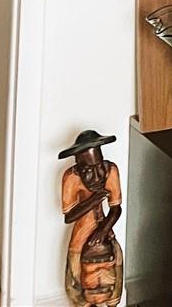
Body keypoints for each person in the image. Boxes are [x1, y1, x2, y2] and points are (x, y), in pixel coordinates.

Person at [60, 130, 123, 306]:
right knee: (76, 276)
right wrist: (94, 200)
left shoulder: (110, 171)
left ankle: (112, 301)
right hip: (81, 235)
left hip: (105, 231)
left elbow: (116, 208)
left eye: (99, 166)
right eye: (88, 170)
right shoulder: (71, 177)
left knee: (115, 263)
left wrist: (103, 230)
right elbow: (69, 217)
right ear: (78, 167)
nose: (96, 176)